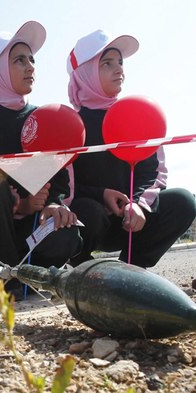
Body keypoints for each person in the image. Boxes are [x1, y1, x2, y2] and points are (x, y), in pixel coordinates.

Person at [0, 21, 82, 299]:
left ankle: (36, 276)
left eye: (31, 59)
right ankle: (7, 277)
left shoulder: (48, 118)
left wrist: (53, 204)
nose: (30, 66)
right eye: (19, 60)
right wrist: (23, 204)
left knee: (67, 235)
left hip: (39, 227)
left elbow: (63, 178)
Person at [66, 30, 196, 268]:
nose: (119, 69)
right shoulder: (70, 125)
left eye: (120, 62)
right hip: (92, 222)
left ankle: (131, 267)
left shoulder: (137, 115)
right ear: (84, 73)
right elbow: (65, 189)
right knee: (89, 211)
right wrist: (101, 194)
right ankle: (83, 269)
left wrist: (137, 204)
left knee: (184, 201)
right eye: (106, 63)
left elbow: (154, 174)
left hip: (133, 221)